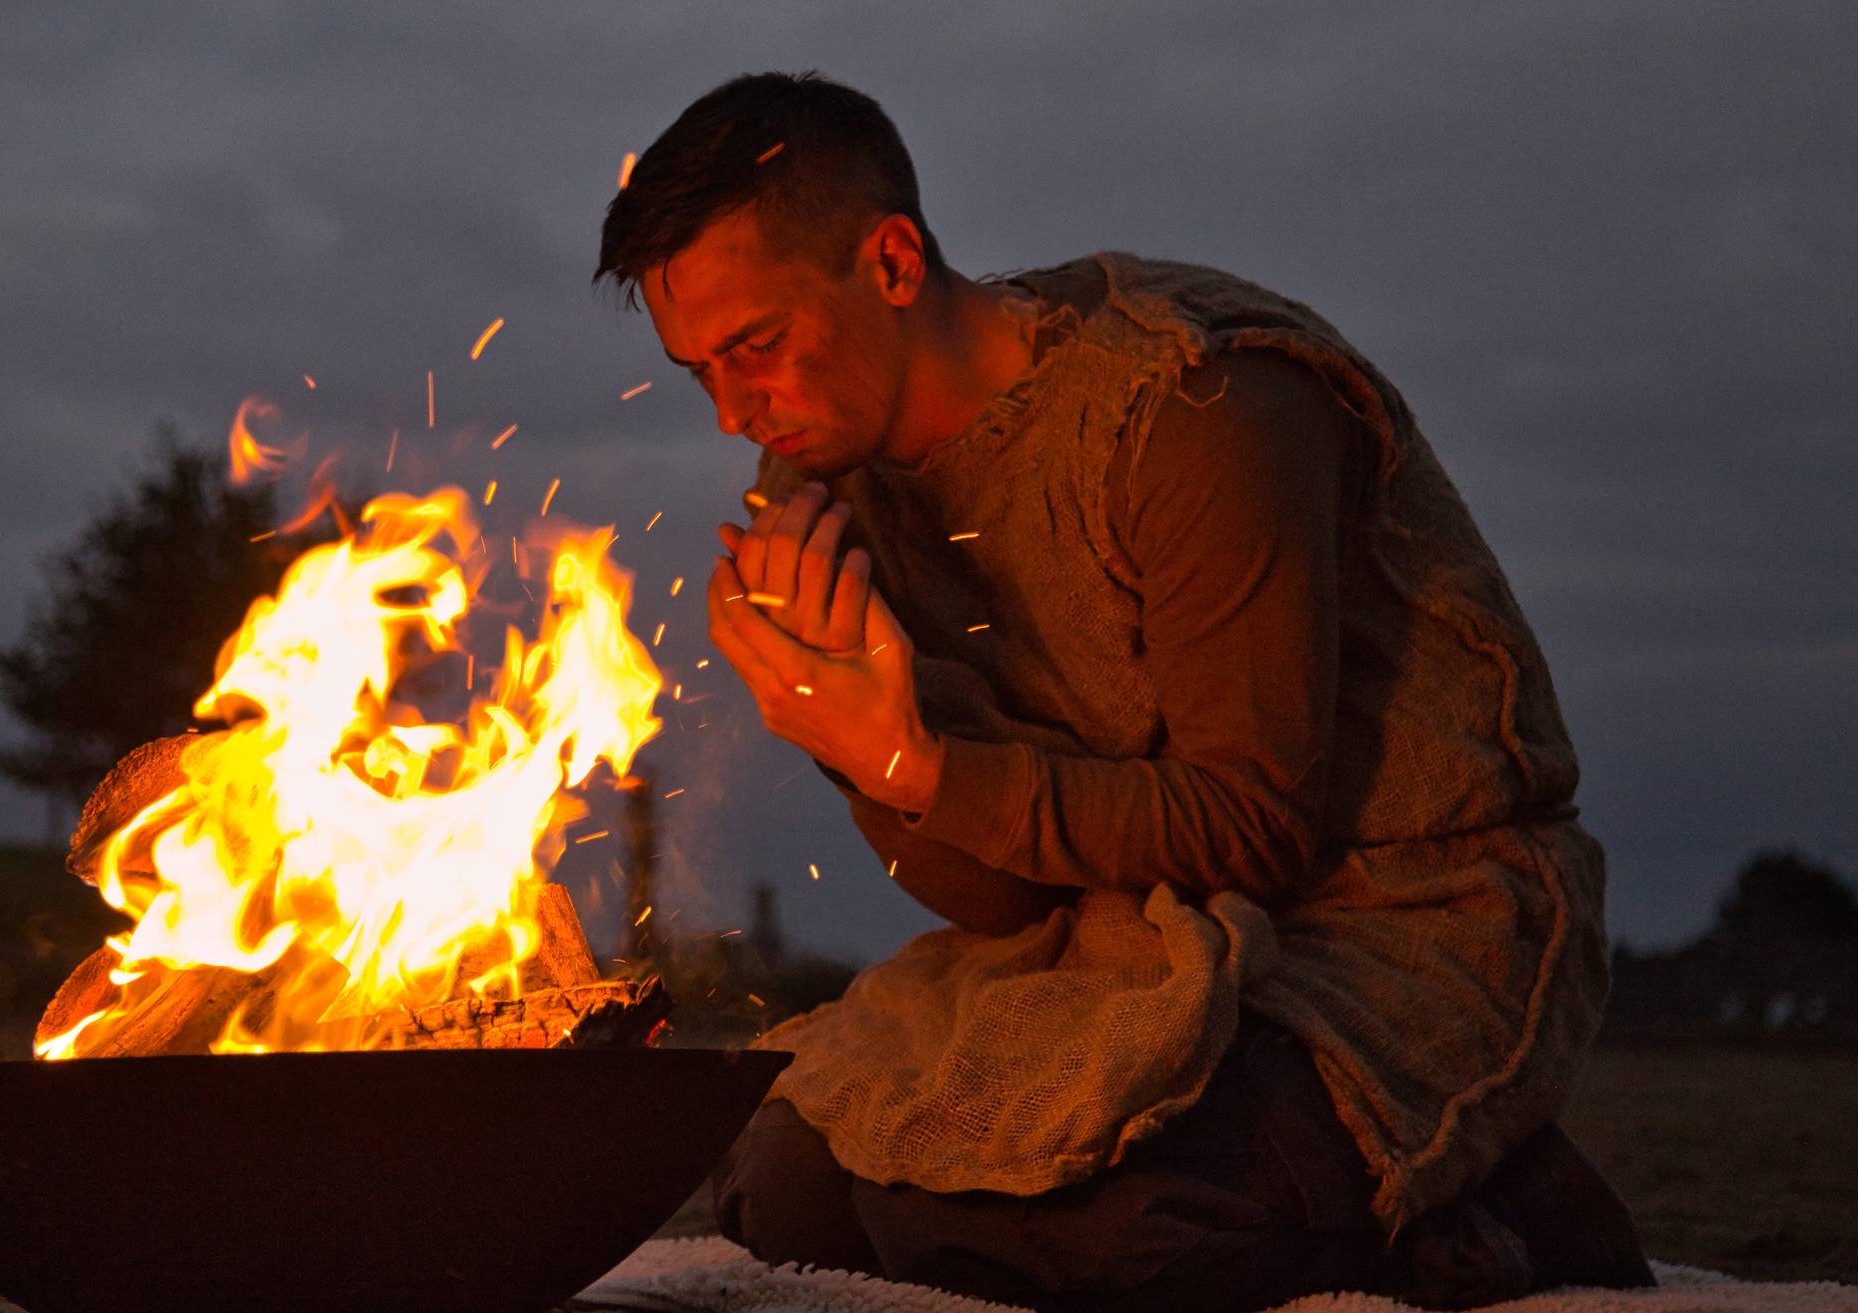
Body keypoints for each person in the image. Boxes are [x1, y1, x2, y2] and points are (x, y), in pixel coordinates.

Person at [595, 72, 1654, 1312]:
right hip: (1119, 935)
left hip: (1395, 917)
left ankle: (1485, 1208)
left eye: (757, 348)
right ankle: (1341, 1199)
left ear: (889, 262)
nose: (731, 414)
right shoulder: (822, 493)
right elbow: (998, 894)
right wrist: (845, 733)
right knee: (792, 1185)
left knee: (1094, 1227)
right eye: (697, 372)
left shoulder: (1195, 409)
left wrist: (910, 760)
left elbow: (1253, 829)